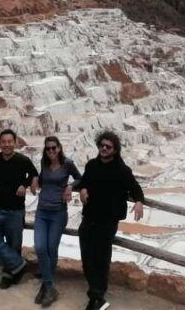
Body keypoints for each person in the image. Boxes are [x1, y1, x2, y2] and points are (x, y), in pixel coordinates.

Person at [78, 131, 144, 310]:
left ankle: (97, 296)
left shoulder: (122, 170)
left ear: (115, 150)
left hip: (107, 221)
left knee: (101, 257)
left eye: (108, 147)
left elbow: (136, 188)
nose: (104, 149)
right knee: (87, 257)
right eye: (102, 146)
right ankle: (96, 294)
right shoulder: (91, 165)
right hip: (89, 217)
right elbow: (83, 182)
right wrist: (82, 189)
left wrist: (139, 202)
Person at [32, 136, 81, 306]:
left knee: (51, 248)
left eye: (54, 148)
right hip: (42, 211)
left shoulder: (68, 163)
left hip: (58, 213)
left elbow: (80, 178)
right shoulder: (44, 164)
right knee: (40, 247)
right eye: (48, 149)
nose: (51, 151)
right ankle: (49, 286)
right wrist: (35, 180)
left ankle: (47, 287)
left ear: (59, 148)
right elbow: (41, 179)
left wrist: (70, 186)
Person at [0, 129, 38, 290]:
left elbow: (34, 174)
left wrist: (25, 185)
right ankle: (19, 264)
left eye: (10, 141)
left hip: (15, 210)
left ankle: (9, 274)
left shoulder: (23, 160)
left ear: (15, 143)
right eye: (4, 142)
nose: (7, 145)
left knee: (14, 245)